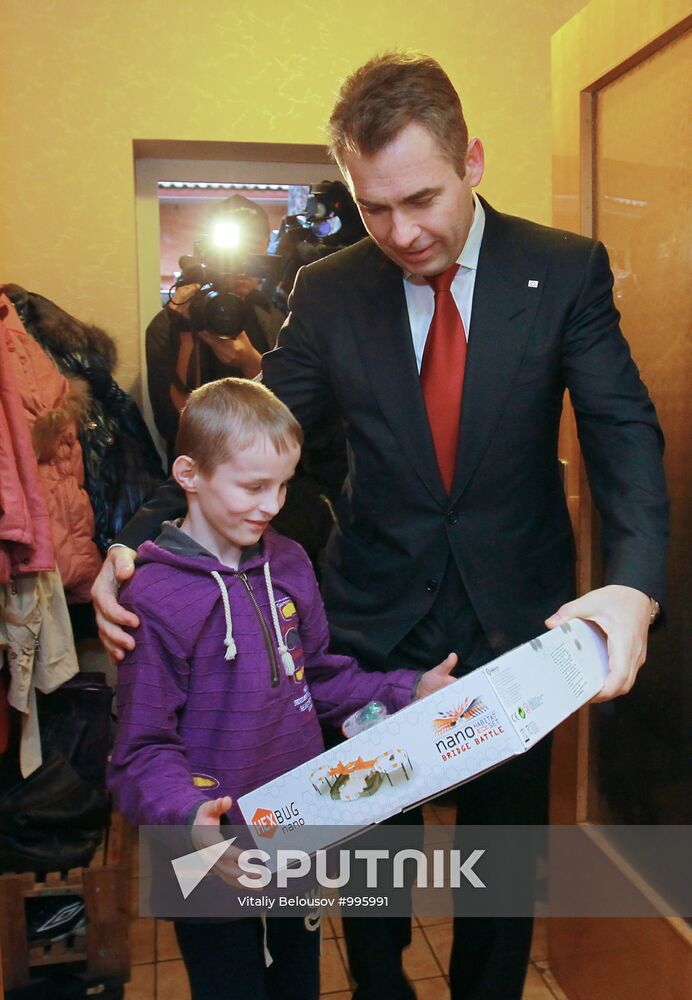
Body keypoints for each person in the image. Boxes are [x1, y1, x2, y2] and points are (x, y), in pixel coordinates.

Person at [93, 53, 669, 999]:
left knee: (497, 875)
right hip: (367, 626)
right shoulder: (328, 290)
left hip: (514, 630)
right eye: (374, 209)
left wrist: (636, 586)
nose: (402, 233)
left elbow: (624, 438)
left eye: (422, 199)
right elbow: (245, 424)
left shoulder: (562, 272)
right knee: (368, 882)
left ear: (472, 160)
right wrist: (144, 539)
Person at [107, 377, 458, 1000]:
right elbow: (141, 750)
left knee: (299, 982)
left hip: (295, 833)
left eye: (283, 486)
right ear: (189, 474)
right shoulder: (154, 599)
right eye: (252, 486)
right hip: (209, 852)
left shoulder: (290, 562)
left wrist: (410, 692)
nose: (271, 504)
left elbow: (320, 676)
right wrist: (188, 818)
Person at [146, 194, 285, 469]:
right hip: (200, 476)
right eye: (234, 256)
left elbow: (291, 415)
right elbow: (173, 425)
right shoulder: (171, 322)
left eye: (252, 256)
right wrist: (186, 334)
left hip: (265, 471)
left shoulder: (273, 317)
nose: (242, 269)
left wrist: (250, 363)